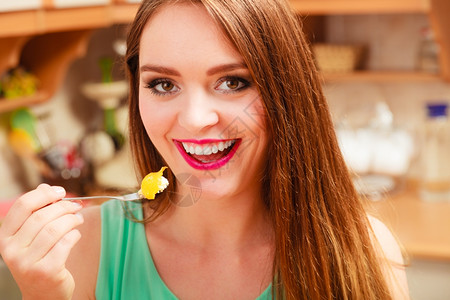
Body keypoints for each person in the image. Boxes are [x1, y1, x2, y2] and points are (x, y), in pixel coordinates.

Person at [0, 0, 410, 299]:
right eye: (163, 84)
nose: (195, 119)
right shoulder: (85, 247)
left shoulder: (364, 251)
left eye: (233, 82)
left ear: (288, 92)